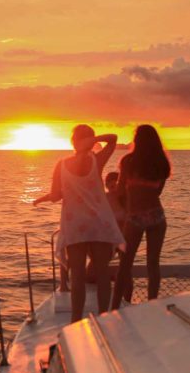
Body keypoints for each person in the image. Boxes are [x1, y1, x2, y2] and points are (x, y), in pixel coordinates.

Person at [33, 124, 124, 322]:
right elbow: (113, 138)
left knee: (77, 277)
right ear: (91, 141)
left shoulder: (62, 164)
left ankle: (75, 320)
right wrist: (90, 142)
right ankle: (103, 318)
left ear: (72, 141)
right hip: (99, 223)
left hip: (74, 225)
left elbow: (56, 196)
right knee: (102, 275)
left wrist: (43, 198)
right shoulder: (97, 160)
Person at [111, 124, 171, 310]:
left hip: (135, 217)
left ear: (136, 140)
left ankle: (114, 307)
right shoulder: (161, 163)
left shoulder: (128, 162)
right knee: (153, 264)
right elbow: (158, 192)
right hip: (157, 216)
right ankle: (152, 305)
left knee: (125, 265)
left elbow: (120, 191)